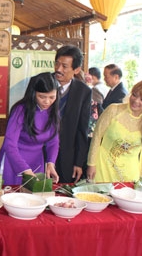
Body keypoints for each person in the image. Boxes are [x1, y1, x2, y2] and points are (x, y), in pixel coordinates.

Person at [87, 80, 142, 182]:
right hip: (102, 169)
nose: (136, 101)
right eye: (134, 95)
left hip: (129, 175)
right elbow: (97, 136)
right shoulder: (113, 110)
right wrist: (91, 164)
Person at [0, 72, 60, 185]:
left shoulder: (53, 112)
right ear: (33, 93)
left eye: (52, 97)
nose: (47, 102)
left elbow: (53, 142)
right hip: (14, 160)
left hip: (37, 160)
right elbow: (9, 144)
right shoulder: (20, 110)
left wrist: (51, 163)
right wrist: (25, 170)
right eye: (42, 97)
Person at [54, 45, 92, 183]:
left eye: (64, 66)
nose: (58, 69)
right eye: (57, 63)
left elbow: (83, 130)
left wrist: (78, 162)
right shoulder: (42, 83)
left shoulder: (83, 92)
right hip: (40, 154)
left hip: (66, 156)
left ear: (76, 70)